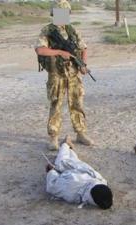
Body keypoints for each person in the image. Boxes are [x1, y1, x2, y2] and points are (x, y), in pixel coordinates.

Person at [35, 0, 94, 150]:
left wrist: (83, 65)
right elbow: (40, 50)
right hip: (57, 75)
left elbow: (84, 48)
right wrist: (60, 52)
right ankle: (53, 138)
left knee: (77, 104)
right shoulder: (47, 30)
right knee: (56, 105)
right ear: (54, 14)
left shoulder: (72, 30)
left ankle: (80, 133)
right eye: (60, 13)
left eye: (65, 14)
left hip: (74, 74)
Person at [46, 135, 113, 209]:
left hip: (68, 173)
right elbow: (87, 169)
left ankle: (65, 144)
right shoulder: (101, 181)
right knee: (70, 161)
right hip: (78, 169)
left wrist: (51, 172)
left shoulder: (72, 193)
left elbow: (52, 186)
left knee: (61, 163)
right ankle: (68, 147)